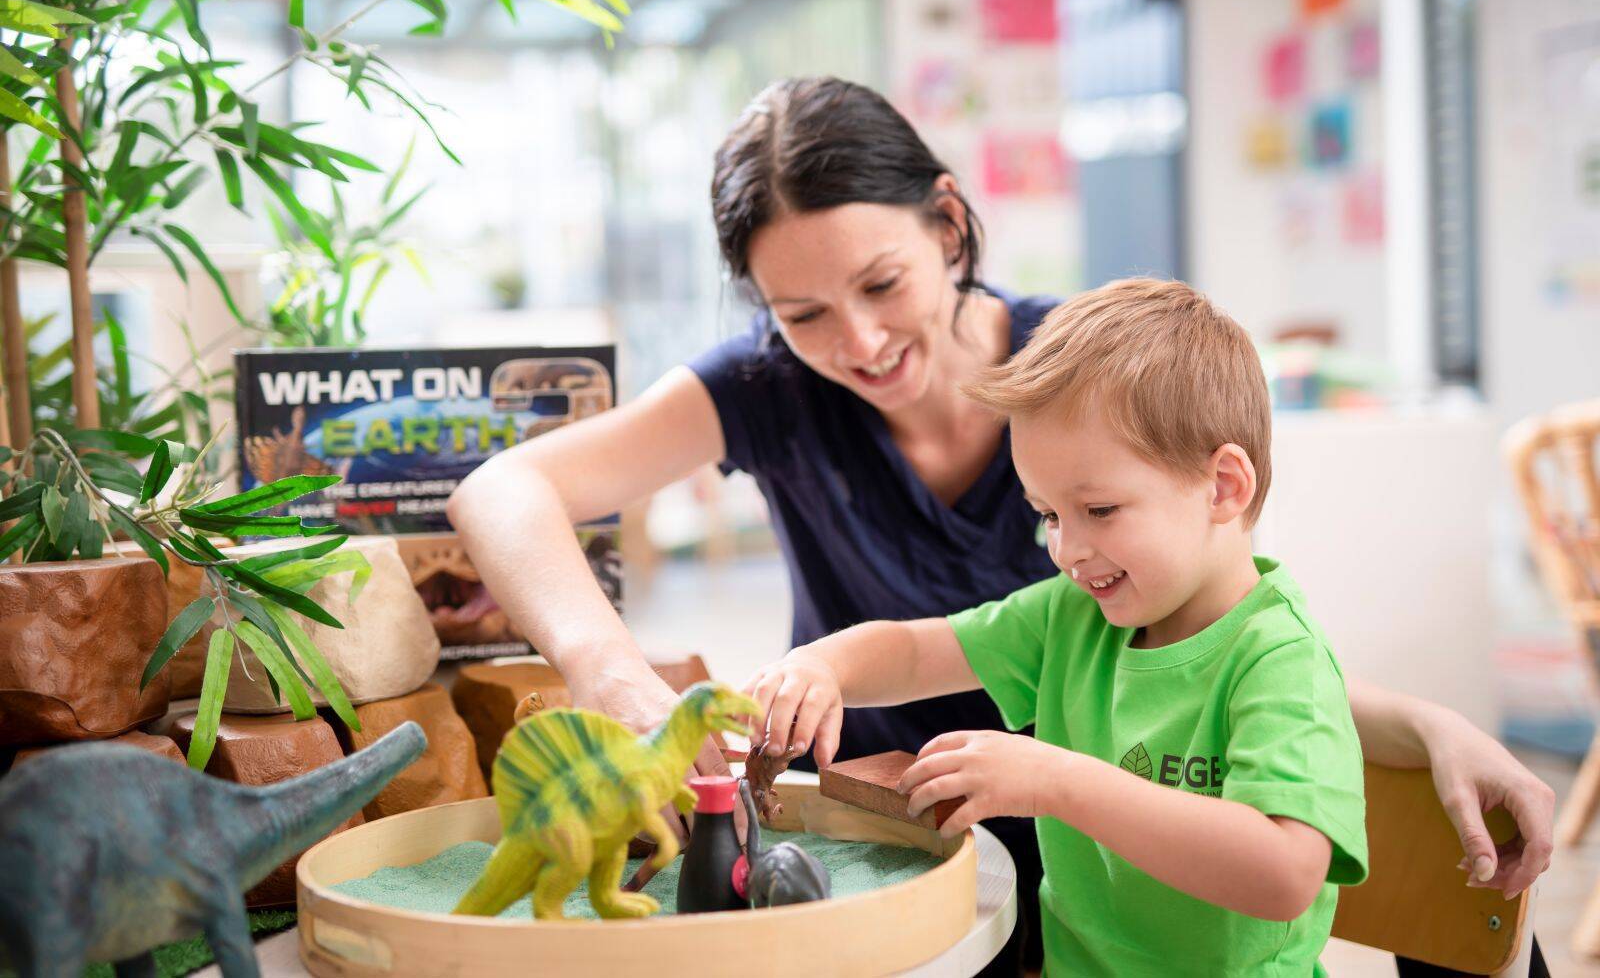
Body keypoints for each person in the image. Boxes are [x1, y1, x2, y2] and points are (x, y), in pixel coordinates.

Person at [445, 76, 1553, 971]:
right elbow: (502, 491)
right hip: (926, 852)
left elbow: (1206, 660)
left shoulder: (1080, 385)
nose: (862, 342)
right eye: (804, 315)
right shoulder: (772, 389)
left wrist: (1412, 724)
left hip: (1114, 870)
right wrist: (607, 665)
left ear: (948, 220)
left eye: (883, 282)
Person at [746, 278, 1367, 974]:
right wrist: (820, 666)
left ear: (1223, 486)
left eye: (1099, 510)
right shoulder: (1072, 617)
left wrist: (1058, 780)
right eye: (1047, 514)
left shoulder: (1279, 657)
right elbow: (917, 652)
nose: (1065, 549)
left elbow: (1283, 874)